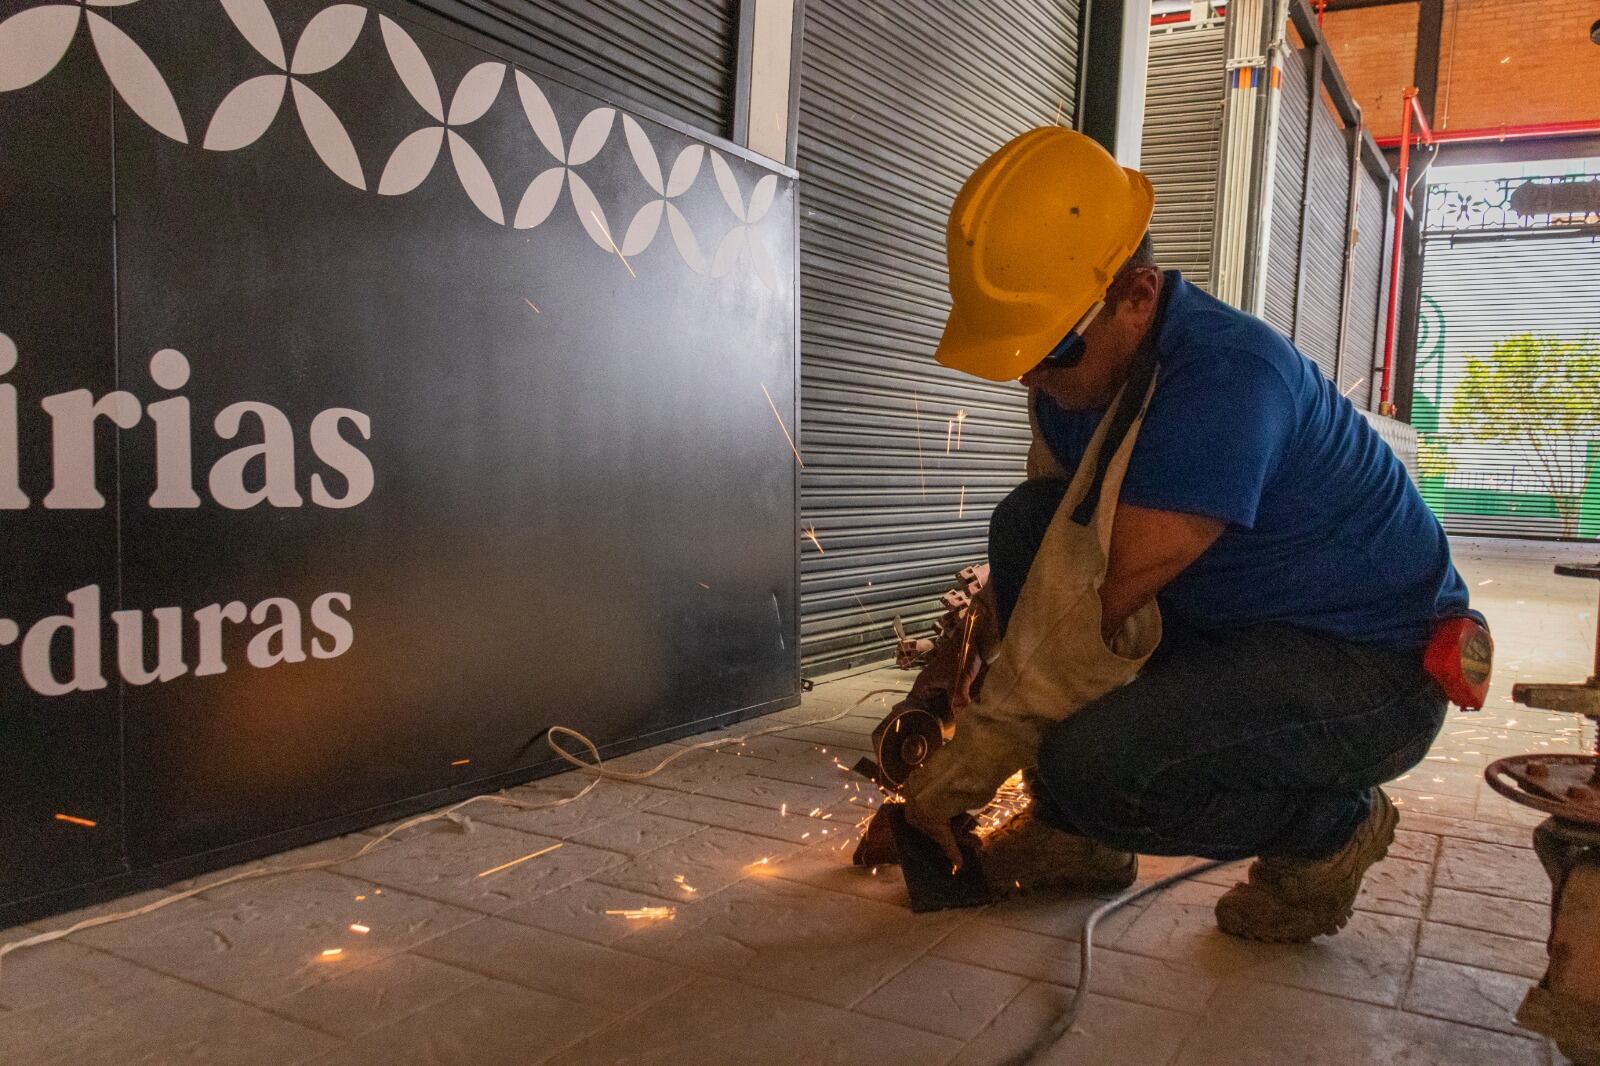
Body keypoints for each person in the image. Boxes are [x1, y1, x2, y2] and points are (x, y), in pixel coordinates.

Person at [898, 127, 1481, 943]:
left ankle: (1332, 832)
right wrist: (949, 687)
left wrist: (963, 771)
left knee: (1100, 768)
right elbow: (1046, 568)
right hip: (1238, 623)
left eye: (1052, 350)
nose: (1034, 376)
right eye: (1019, 355)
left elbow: (1081, 622)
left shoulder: (1226, 387)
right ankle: (1077, 839)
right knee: (1026, 524)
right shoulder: (1077, 383)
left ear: (1137, 294)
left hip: (1365, 668)